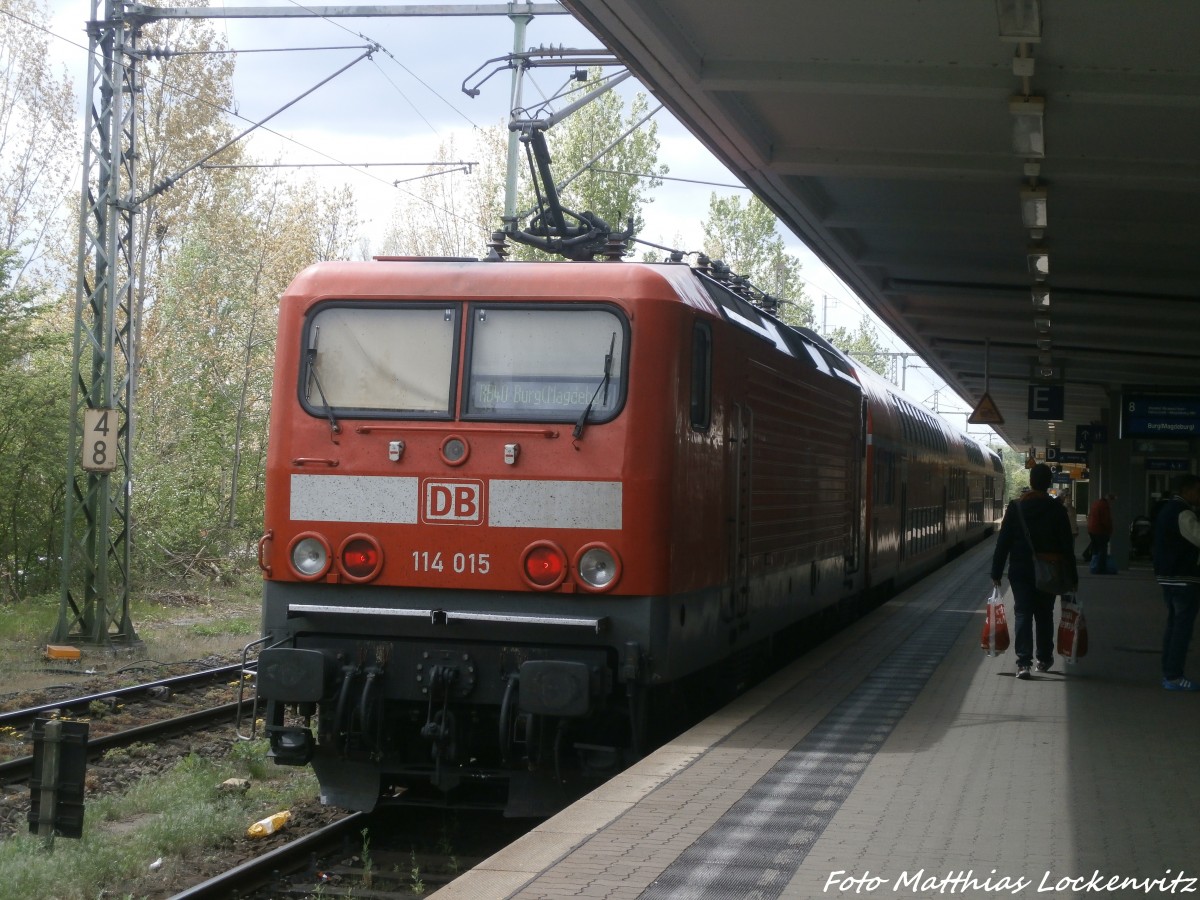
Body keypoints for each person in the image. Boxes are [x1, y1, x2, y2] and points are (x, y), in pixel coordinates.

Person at [992, 463, 1079, 679]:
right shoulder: (1057, 510)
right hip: (1048, 570)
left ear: (1031, 482)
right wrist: (1073, 578)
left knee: (1022, 612)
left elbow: (1003, 542)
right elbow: (1067, 545)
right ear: (1049, 483)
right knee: (1044, 614)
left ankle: (1023, 663)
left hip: (1020, 570)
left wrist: (996, 572)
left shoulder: (1016, 507)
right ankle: (1044, 658)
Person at [1152, 473, 1200, 691]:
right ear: (1187, 490)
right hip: (1183, 578)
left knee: (1174, 627)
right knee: (1182, 629)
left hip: (1169, 577)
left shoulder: (1167, 510)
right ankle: (1174, 676)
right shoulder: (1183, 513)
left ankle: (1168, 673)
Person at [1087, 492, 1116, 573]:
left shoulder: (1096, 503)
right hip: (1100, 530)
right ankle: (1101, 568)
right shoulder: (1104, 506)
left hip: (1092, 529)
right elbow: (1105, 520)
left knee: (1095, 549)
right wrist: (1110, 530)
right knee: (1103, 549)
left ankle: (1094, 566)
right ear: (1109, 499)